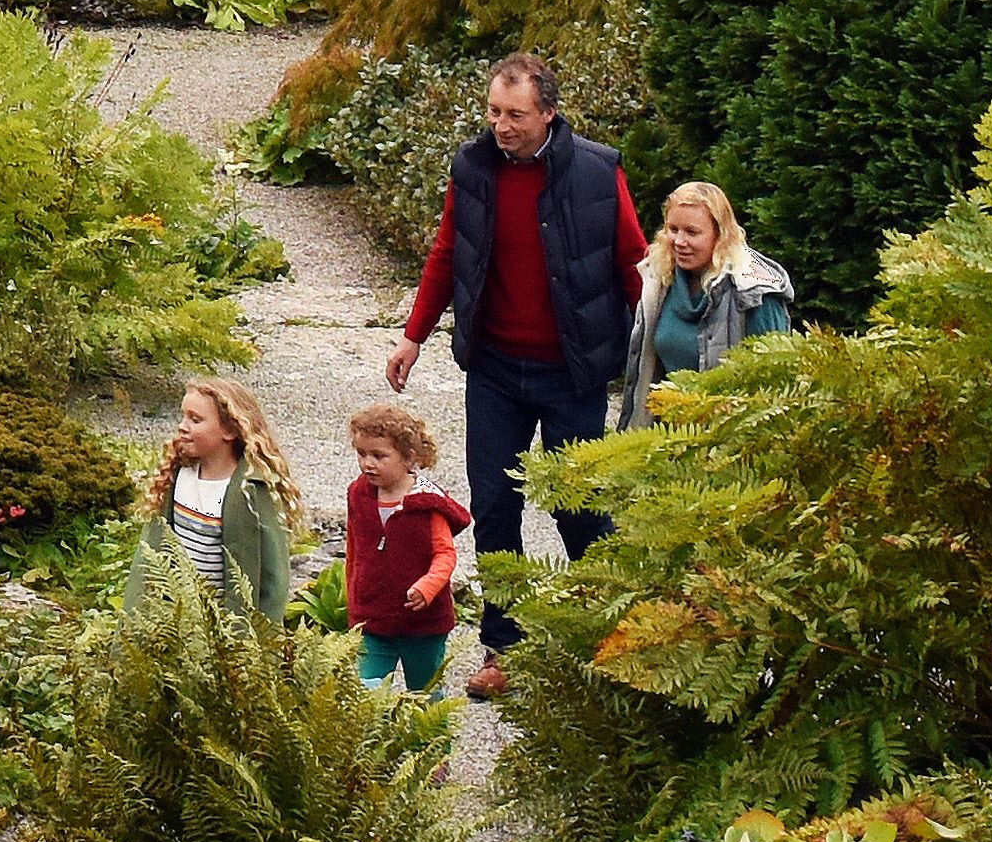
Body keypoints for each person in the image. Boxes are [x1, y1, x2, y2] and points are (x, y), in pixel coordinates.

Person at [386, 50, 639, 690]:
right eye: (494, 111)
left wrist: (656, 359)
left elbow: (634, 263)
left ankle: (604, 635)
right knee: (495, 506)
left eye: (515, 114)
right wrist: (415, 336)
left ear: (548, 113)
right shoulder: (473, 168)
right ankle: (505, 649)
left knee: (578, 509)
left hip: (572, 370)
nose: (501, 125)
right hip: (495, 368)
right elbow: (448, 251)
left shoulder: (596, 171)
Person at [336, 397, 468, 695]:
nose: (367, 463)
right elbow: (354, 550)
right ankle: (376, 741)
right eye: (361, 454)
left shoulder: (427, 504)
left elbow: (445, 554)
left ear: (409, 458)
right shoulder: (359, 495)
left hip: (422, 625)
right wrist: (354, 597)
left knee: (426, 697)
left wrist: (428, 586)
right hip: (372, 620)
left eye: (379, 456)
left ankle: (431, 743)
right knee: (364, 694)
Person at [630, 179, 794, 409]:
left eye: (692, 232)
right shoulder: (659, 279)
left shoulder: (755, 292)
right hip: (668, 430)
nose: (679, 241)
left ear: (720, 235)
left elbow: (777, 382)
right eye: (673, 229)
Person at [157, 381, 301, 619]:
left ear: (229, 430)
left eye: (195, 420)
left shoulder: (251, 489)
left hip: (227, 628)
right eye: (183, 417)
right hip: (181, 619)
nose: (182, 427)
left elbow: (273, 577)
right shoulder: (179, 475)